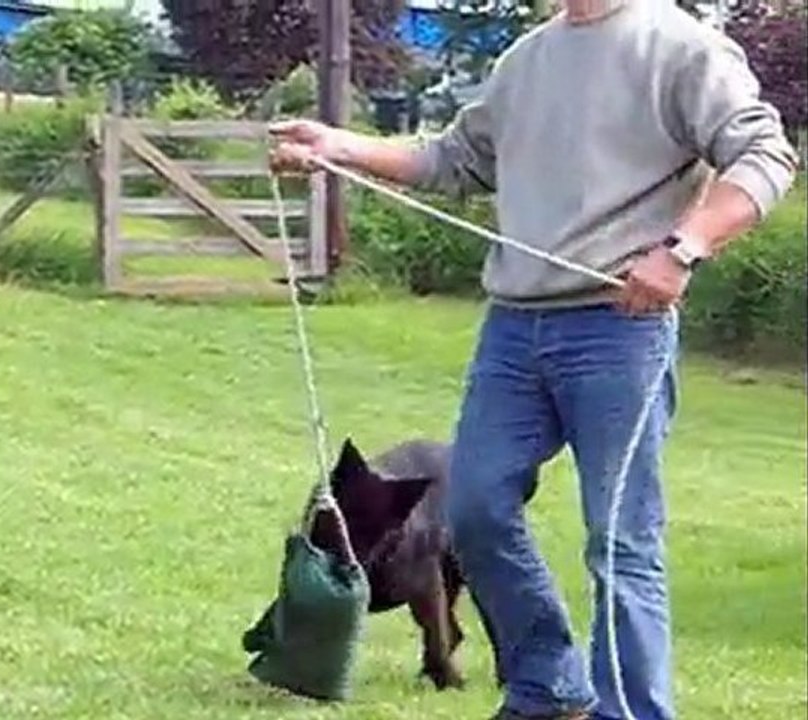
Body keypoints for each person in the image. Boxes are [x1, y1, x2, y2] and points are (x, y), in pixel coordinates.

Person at [268, 1, 798, 718]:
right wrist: (338, 145)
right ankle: (549, 684)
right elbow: (453, 159)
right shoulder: (525, 59)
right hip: (515, 327)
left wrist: (683, 249)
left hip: (621, 326)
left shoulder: (679, 45)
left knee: (621, 538)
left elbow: (766, 156)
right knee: (476, 507)